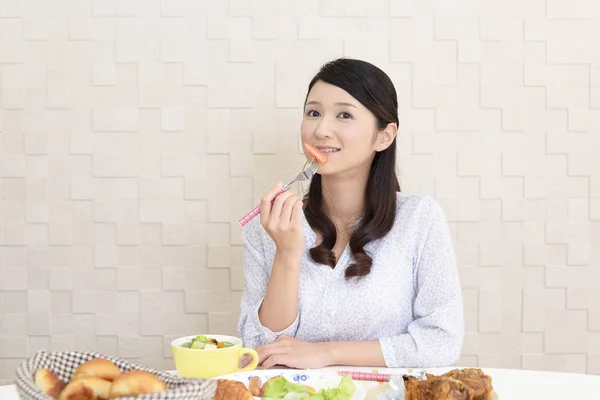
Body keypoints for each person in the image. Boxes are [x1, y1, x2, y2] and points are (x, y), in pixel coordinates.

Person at [237, 58, 464, 370]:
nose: (321, 130)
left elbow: (441, 342)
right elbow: (258, 350)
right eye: (313, 113)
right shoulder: (267, 229)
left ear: (384, 136)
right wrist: (286, 255)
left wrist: (328, 353)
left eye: (344, 115)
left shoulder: (419, 220)